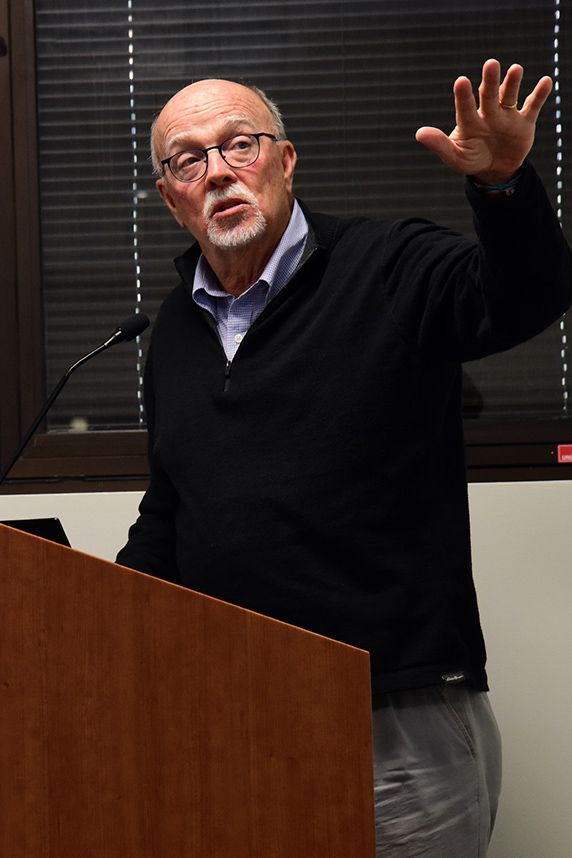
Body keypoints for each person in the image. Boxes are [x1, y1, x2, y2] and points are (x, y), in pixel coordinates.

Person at [117, 60, 572, 857]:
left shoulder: (387, 264)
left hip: (394, 719)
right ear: (170, 198)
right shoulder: (174, 333)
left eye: (240, 144)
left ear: (286, 161)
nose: (218, 171)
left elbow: (526, 295)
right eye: (188, 160)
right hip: (235, 714)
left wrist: (503, 184)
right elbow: (172, 506)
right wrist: (100, 624)